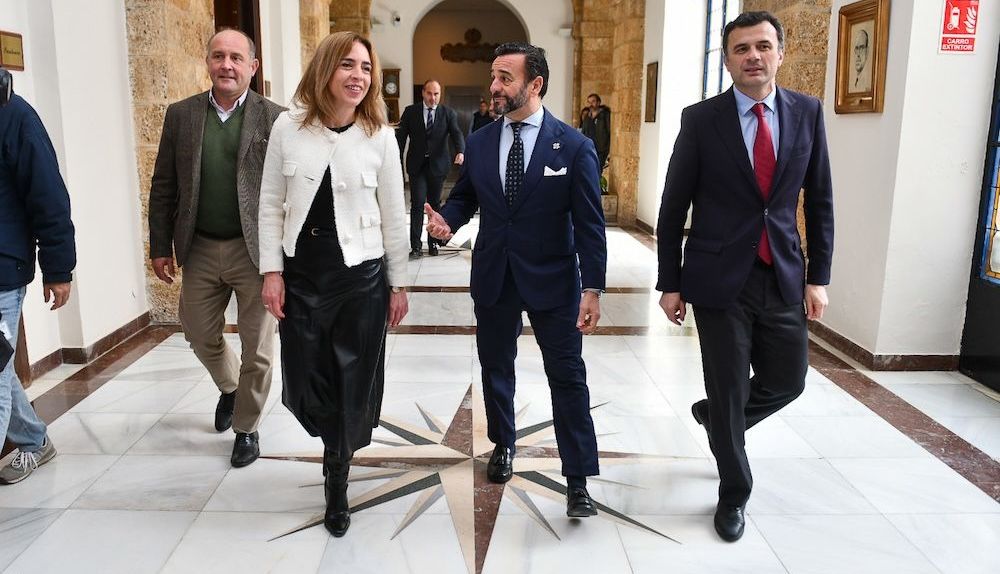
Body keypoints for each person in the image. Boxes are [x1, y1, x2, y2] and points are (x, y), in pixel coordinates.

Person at [655, 11, 834, 542]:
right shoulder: (700, 119)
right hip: (717, 278)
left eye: (763, 46)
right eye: (741, 49)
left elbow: (819, 200)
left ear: (780, 53)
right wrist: (670, 281)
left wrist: (818, 276)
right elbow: (673, 205)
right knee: (730, 387)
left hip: (781, 273)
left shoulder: (807, 112)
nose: (753, 56)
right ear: (728, 60)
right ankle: (734, 491)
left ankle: (717, 420)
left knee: (789, 380)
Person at [425, 42, 607, 518]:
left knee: (567, 377)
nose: (494, 86)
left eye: (505, 78)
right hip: (495, 276)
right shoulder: (481, 140)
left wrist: (593, 288)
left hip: (555, 282)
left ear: (535, 84)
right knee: (496, 368)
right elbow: (465, 198)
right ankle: (503, 444)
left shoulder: (573, 146)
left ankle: (578, 479)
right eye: (494, 76)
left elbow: (590, 225)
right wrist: (447, 220)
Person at [258, 31, 409, 538]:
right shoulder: (288, 127)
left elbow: (394, 215)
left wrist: (398, 284)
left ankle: (337, 475)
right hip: (303, 275)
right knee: (306, 380)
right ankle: (332, 441)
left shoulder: (379, 136)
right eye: (348, 65)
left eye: (366, 68)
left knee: (352, 380)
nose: (358, 76)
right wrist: (272, 272)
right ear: (325, 69)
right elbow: (269, 204)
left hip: (361, 278)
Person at [148, 29, 285, 468]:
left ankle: (246, 428)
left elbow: (288, 192)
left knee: (258, 348)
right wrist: (160, 245)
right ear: (207, 61)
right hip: (201, 246)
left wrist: (286, 259)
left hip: (256, 252)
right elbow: (164, 185)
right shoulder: (181, 115)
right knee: (198, 332)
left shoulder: (276, 119)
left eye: (236, 58)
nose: (226, 65)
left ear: (252, 67)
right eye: (218, 56)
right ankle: (231, 387)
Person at [0, 73, 75, 485]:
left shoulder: (16, 116)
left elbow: (48, 195)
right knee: (0, 366)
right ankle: (34, 440)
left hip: (3, 270)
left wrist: (58, 268)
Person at [395, 79, 465, 258]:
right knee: (417, 204)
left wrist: (460, 151)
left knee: (434, 205)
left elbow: (456, 133)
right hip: (417, 166)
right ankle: (416, 247)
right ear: (423, 93)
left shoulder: (448, 113)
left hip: (438, 166)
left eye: (436, 94)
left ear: (440, 94)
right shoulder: (411, 112)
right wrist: (395, 160)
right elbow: (401, 137)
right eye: (429, 93)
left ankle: (433, 243)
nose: (433, 98)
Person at [580, 93, 611, 171]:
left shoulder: (605, 115)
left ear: (598, 102)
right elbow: (583, 132)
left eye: (593, 101)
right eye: (589, 102)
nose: (591, 104)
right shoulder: (587, 117)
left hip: (601, 150)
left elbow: (609, 132)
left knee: (597, 170)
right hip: (589, 149)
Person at [851, 28, 871, 92]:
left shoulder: (868, 84)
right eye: (857, 48)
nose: (858, 54)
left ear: (867, 51)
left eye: (861, 48)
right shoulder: (852, 82)